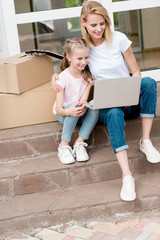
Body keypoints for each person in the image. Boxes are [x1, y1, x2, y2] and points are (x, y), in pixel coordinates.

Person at [51, 1, 160, 201]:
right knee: (113, 112)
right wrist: (54, 77)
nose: (99, 29)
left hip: (129, 101)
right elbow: (69, 66)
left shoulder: (118, 39)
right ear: (83, 23)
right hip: (110, 107)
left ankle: (145, 141)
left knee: (149, 82)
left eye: (102, 23)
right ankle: (127, 176)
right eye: (93, 25)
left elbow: (135, 71)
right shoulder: (85, 49)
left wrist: (130, 92)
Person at [53, 37, 99, 165]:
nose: (84, 62)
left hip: (79, 112)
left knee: (95, 105)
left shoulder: (88, 76)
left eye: (86, 57)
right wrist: (71, 110)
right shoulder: (62, 78)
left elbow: (83, 100)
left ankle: (79, 143)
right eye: (79, 58)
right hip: (64, 114)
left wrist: (84, 106)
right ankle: (63, 145)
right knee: (75, 105)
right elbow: (59, 110)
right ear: (69, 57)